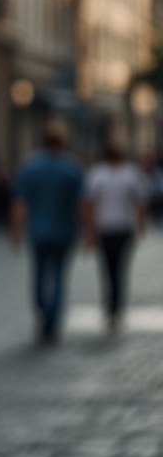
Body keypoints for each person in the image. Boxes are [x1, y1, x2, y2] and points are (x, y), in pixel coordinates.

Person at [9, 122, 83, 345]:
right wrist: (90, 230)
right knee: (59, 276)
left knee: (40, 274)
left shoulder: (30, 168)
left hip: (39, 231)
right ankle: (52, 322)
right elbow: (81, 204)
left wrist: (15, 229)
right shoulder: (71, 168)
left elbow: (20, 204)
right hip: (64, 231)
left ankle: (43, 313)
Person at [83, 139, 149, 333]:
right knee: (119, 269)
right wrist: (141, 224)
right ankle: (116, 306)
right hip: (123, 227)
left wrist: (89, 229)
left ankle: (111, 306)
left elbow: (89, 203)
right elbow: (140, 202)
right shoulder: (131, 173)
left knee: (108, 269)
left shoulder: (97, 174)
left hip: (106, 227)